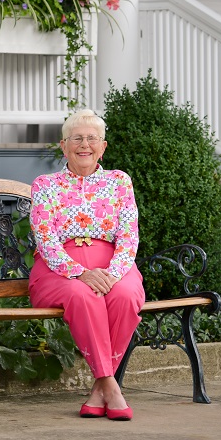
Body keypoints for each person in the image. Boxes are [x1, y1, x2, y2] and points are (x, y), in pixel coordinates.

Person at [29, 108, 144, 421]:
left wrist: (113, 274)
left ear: (103, 147)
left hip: (112, 266)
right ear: (64, 146)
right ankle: (111, 386)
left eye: (92, 138)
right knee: (83, 295)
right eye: (76, 138)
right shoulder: (45, 185)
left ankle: (98, 391)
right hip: (58, 270)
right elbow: (46, 240)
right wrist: (80, 272)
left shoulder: (120, 182)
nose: (84, 144)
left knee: (126, 295)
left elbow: (129, 236)